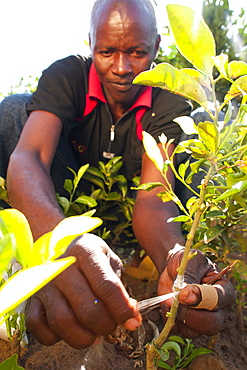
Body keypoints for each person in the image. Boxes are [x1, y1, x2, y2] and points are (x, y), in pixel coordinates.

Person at [0, 0, 235, 349]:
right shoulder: (68, 78)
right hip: (70, 219)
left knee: (203, 130)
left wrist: (173, 254)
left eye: (137, 52)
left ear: (156, 45)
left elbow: (155, 202)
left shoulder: (166, 99)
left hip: (130, 232)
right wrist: (59, 239)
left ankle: (154, 263)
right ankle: (19, 266)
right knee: (14, 112)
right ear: (90, 41)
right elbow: (30, 156)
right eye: (107, 51)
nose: (122, 67)